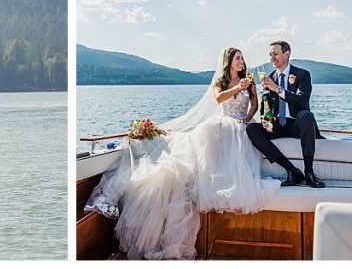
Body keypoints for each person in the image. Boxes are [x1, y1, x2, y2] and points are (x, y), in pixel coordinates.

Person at [85, 47, 280, 259]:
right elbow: (219, 99)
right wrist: (236, 89)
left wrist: (246, 118)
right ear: (229, 62)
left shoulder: (249, 81)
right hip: (224, 121)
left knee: (238, 135)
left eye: (242, 58)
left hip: (241, 123)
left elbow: (254, 104)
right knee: (210, 132)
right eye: (237, 58)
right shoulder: (220, 83)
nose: (242, 61)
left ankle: (229, 181)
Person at [246, 41, 325, 188]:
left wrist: (278, 89)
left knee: (306, 115)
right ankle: (291, 170)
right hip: (277, 126)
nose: (272, 58)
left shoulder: (302, 74)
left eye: (275, 54)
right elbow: (265, 106)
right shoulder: (269, 78)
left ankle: (309, 172)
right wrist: (265, 117)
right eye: (270, 55)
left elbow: (302, 101)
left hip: (297, 125)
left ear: (287, 54)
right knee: (251, 129)